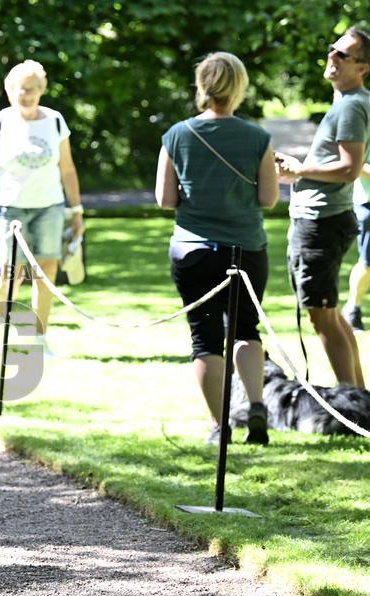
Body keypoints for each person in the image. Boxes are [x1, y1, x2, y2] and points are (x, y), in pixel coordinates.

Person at [155, 52, 279, 446]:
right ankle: (256, 405)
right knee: (246, 330)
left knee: (205, 340)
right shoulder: (257, 137)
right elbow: (269, 199)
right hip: (245, 248)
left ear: (202, 85)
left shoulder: (176, 135)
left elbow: (164, 198)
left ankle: (218, 425)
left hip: (193, 250)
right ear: (238, 87)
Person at [276, 28, 369, 388]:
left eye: (343, 54)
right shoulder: (350, 102)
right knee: (330, 312)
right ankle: (359, 395)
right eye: (332, 49)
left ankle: (352, 406)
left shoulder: (350, 106)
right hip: (325, 217)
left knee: (321, 317)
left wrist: (300, 169)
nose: (332, 56)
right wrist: (299, 171)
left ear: (362, 68)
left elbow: (349, 167)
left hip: (321, 221)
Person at [0, 60, 84, 354]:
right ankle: (1, 335)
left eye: (32, 89)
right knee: (10, 274)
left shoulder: (56, 121)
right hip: (11, 209)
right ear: (10, 91)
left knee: (46, 273)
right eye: (20, 89)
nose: (26, 94)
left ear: (42, 89)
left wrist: (77, 210)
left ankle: (38, 338)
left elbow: (68, 169)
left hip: (49, 207)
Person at [342, 159, 370, 330]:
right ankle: (353, 307)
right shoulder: (365, 132)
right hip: (367, 204)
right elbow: (356, 163)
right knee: (368, 262)